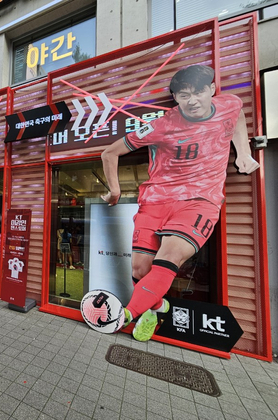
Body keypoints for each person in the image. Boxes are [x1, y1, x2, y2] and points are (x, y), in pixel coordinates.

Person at [100, 65, 260, 341]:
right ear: (175, 98)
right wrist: (115, 191)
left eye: (199, 92)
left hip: (201, 200)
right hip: (156, 199)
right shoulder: (162, 125)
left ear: (211, 89)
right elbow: (109, 152)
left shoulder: (230, 104)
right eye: (184, 95)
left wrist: (242, 152)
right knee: (139, 269)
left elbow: (238, 116)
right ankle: (156, 307)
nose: (192, 100)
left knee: (169, 257)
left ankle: (124, 315)